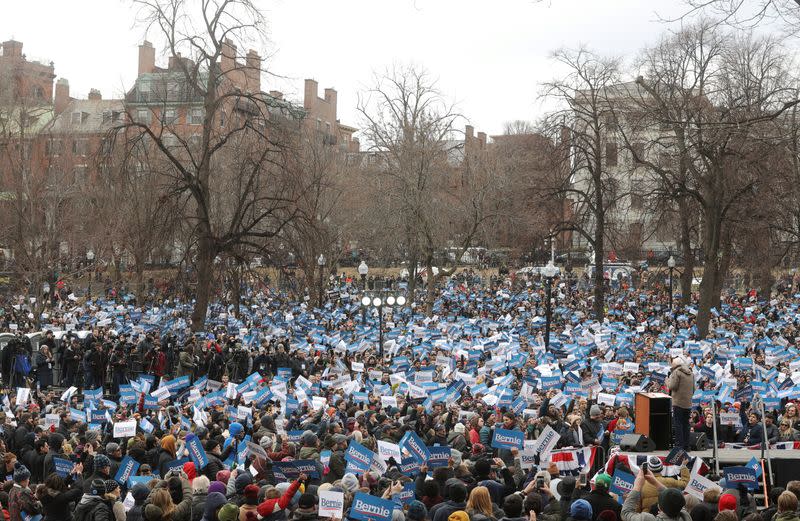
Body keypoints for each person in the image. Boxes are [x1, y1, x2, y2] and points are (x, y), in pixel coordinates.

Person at [621, 468, 690, 521]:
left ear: (659, 507)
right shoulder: (686, 517)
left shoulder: (648, 519)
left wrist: (637, 486)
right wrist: (655, 482)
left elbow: (626, 513)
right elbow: (677, 503)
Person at [667, 357, 694, 451]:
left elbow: (672, 386)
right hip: (688, 403)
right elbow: (694, 389)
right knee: (686, 424)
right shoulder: (691, 373)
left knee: (678, 424)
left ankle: (679, 446)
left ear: (675, 365)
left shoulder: (676, 372)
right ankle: (687, 446)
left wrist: (667, 382)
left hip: (678, 402)